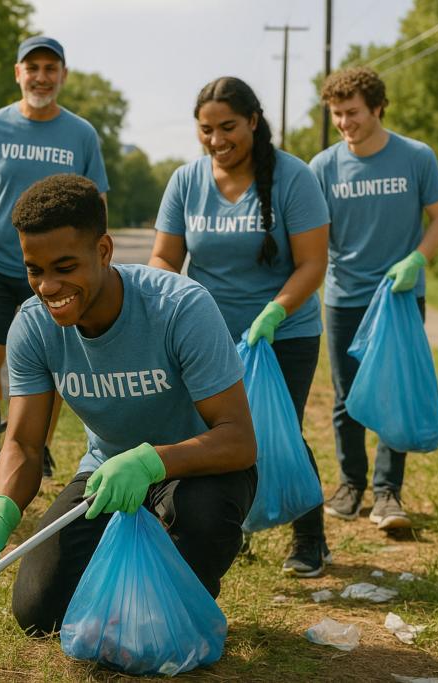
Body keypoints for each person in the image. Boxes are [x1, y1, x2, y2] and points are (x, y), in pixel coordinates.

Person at [0, 174, 257, 636]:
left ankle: (179, 589)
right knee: (38, 612)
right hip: (107, 474)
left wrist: (150, 462)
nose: (48, 286)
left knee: (159, 607)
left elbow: (238, 440)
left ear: (103, 250)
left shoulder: (179, 308)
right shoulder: (33, 327)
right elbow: (25, 444)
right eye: (34, 270)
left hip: (198, 471)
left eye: (64, 267)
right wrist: (1, 511)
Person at [148, 77, 332, 577]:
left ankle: (310, 539)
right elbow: (164, 257)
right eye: (206, 129)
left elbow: (313, 263)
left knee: (278, 431)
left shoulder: (293, 177)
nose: (216, 139)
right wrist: (170, 305)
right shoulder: (186, 181)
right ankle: (231, 530)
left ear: (253, 120)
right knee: (212, 435)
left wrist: (275, 312)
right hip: (207, 338)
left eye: (227, 127)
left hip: (281, 334)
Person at [0, 36, 110, 481]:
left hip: (57, 272)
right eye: (33, 67)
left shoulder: (81, 133)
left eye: (50, 68)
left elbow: (96, 199)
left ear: (63, 76)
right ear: (18, 73)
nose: (41, 77)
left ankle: (37, 446)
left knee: (55, 358)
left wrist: (94, 252)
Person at [309, 67, 438, 531]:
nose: (344, 123)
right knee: (346, 396)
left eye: (352, 112)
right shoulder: (322, 167)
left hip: (400, 296)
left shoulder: (416, 156)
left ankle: (388, 493)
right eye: (336, 114)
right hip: (345, 296)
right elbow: (310, 235)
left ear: (378, 107)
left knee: (395, 391)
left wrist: (417, 259)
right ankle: (351, 485)